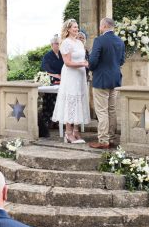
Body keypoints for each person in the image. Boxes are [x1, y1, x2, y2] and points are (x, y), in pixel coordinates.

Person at [51, 19, 90, 143]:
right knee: (71, 102)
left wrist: (85, 64)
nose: (76, 29)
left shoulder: (79, 42)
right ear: (68, 29)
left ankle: (76, 131)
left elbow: (82, 57)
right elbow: (67, 63)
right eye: (74, 27)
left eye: (77, 27)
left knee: (79, 101)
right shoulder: (65, 43)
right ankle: (68, 133)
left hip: (80, 75)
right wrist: (82, 64)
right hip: (71, 75)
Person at [88, 17, 125, 149]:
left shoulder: (99, 40)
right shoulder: (120, 41)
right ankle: (112, 138)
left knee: (102, 111)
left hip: (101, 80)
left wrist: (91, 68)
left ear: (103, 26)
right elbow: (121, 61)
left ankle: (103, 140)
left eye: (100, 25)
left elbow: (92, 61)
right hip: (115, 80)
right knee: (112, 110)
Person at [39, 35, 64, 131]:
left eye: (59, 44)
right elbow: (46, 69)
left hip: (63, 80)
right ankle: (48, 121)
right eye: (57, 44)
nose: (58, 46)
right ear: (52, 45)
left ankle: (58, 121)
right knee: (49, 99)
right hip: (52, 80)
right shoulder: (47, 56)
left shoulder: (62, 54)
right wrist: (57, 76)